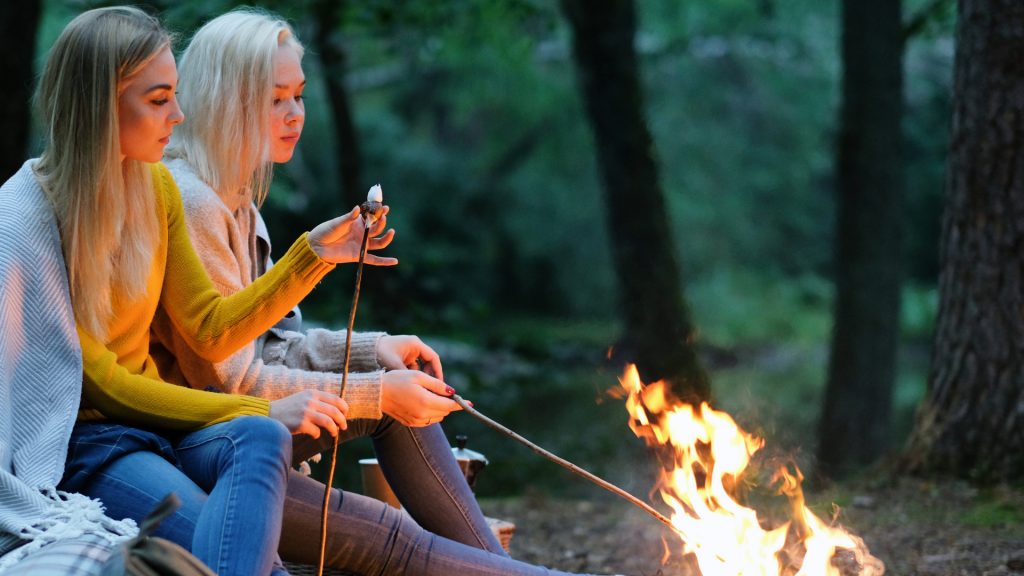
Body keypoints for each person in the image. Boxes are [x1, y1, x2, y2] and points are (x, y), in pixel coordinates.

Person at [152, 8, 625, 576]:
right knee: (391, 525)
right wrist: (379, 393)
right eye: (274, 99)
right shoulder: (195, 202)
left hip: (241, 429)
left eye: (299, 96)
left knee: (402, 415)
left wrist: (373, 351)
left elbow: (271, 346)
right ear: (227, 100)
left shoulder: (235, 200)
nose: (294, 114)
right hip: (202, 447)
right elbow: (235, 383)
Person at [9, 6, 395, 575]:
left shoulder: (157, 186)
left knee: (264, 439)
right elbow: (104, 383)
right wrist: (261, 405)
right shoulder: (25, 220)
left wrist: (311, 257)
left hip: (161, 426)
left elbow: (210, 329)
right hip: (92, 442)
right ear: (100, 104)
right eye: (160, 99)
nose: (180, 115)